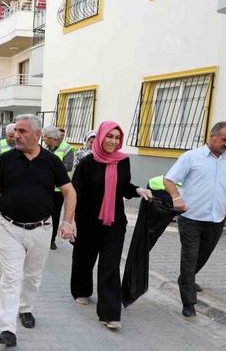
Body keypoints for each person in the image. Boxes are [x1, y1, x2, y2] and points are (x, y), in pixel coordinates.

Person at [0, 114, 77, 347]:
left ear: (37, 135)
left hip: (42, 229)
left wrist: (67, 221)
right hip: (9, 227)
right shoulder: (5, 159)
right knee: (11, 278)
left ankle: (26, 308)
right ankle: (7, 328)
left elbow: (69, 191)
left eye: (23, 131)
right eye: (16, 131)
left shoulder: (51, 161)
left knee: (33, 277)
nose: (17, 135)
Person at [70, 121, 151, 330]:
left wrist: (138, 190)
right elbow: (75, 194)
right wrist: (70, 221)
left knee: (110, 265)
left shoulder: (122, 161)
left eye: (117, 138)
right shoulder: (87, 163)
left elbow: (124, 187)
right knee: (84, 259)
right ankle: (81, 290)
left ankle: (110, 313)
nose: (113, 141)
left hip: (115, 222)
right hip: (87, 221)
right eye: (109, 136)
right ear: (100, 137)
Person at [164, 121, 226, 318]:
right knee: (190, 257)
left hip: (216, 219)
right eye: (224, 139)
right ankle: (188, 302)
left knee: (202, 256)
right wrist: (177, 198)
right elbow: (169, 179)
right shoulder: (191, 157)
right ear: (212, 136)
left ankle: (185, 279)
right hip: (191, 218)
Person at [42, 125, 76, 250]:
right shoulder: (45, 148)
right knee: (44, 213)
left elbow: (68, 166)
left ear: (51, 138)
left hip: (58, 189)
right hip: (46, 187)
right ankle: (43, 238)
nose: (43, 139)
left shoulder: (67, 148)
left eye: (44, 136)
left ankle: (52, 240)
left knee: (55, 214)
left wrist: (51, 166)